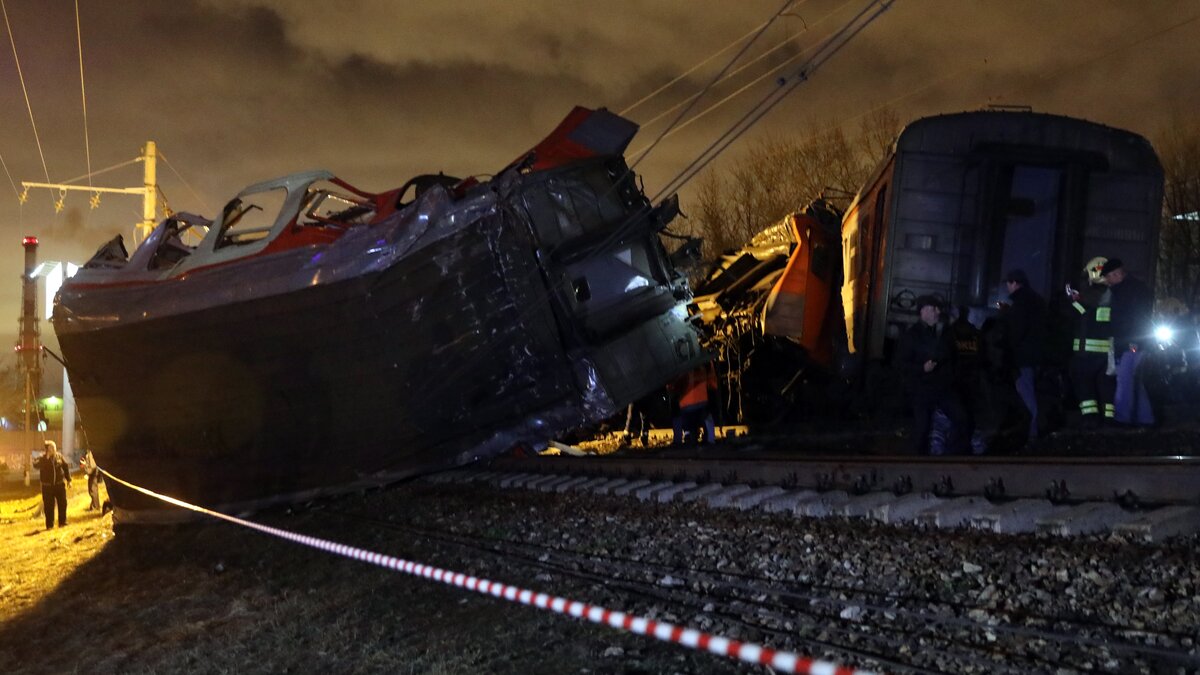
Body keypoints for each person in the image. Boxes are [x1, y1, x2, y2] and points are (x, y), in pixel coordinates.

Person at [895, 295, 967, 454]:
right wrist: (922, 368)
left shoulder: (943, 332)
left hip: (942, 386)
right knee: (922, 429)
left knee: (962, 419)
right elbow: (901, 364)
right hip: (921, 388)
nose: (937, 312)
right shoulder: (911, 336)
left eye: (937, 308)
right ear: (923, 311)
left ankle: (951, 457)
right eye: (934, 308)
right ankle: (918, 464)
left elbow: (952, 357)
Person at [1103, 258, 1155, 426]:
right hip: (1135, 342)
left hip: (1130, 343)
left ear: (1117, 274)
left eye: (1109, 277)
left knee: (1124, 380)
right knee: (1134, 381)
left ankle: (1122, 418)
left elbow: (1131, 318)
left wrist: (1132, 342)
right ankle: (1145, 418)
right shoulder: (1136, 289)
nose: (1107, 281)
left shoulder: (1126, 291)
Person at [1067, 256, 1116, 428]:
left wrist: (1072, 302)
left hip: (1085, 355)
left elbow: (1079, 314)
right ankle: (1110, 420)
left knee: (1084, 386)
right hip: (1107, 355)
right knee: (1107, 387)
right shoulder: (1113, 296)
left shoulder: (1087, 295)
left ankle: (1090, 420)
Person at [1002, 269, 1047, 445]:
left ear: (1014, 283)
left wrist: (1008, 350)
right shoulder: (1037, 301)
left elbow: (1016, 331)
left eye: (1008, 283)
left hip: (1023, 357)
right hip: (1036, 356)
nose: (1007, 287)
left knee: (1025, 394)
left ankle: (1030, 434)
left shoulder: (1020, 303)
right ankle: (1031, 431)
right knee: (1030, 393)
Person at [671, 362, 717, 445]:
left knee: (678, 417)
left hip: (685, 405)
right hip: (702, 402)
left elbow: (673, 386)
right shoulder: (705, 361)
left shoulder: (678, 362)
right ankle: (710, 439)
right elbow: (712, 382)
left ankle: (680, 439)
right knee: (708, 418)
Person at [33, 440, 72, 530]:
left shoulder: (59, 457)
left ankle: (62, 522)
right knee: (49, 506)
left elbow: (65, 468)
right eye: (51, 448)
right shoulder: (42, 459)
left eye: (54, 448)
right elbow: (36, 466)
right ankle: (50, 525)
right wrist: (46, 458)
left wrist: (69, 480)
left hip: (59, 485)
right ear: (47, 449)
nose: (53, 450)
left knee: (63, 504)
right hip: (47, 487)